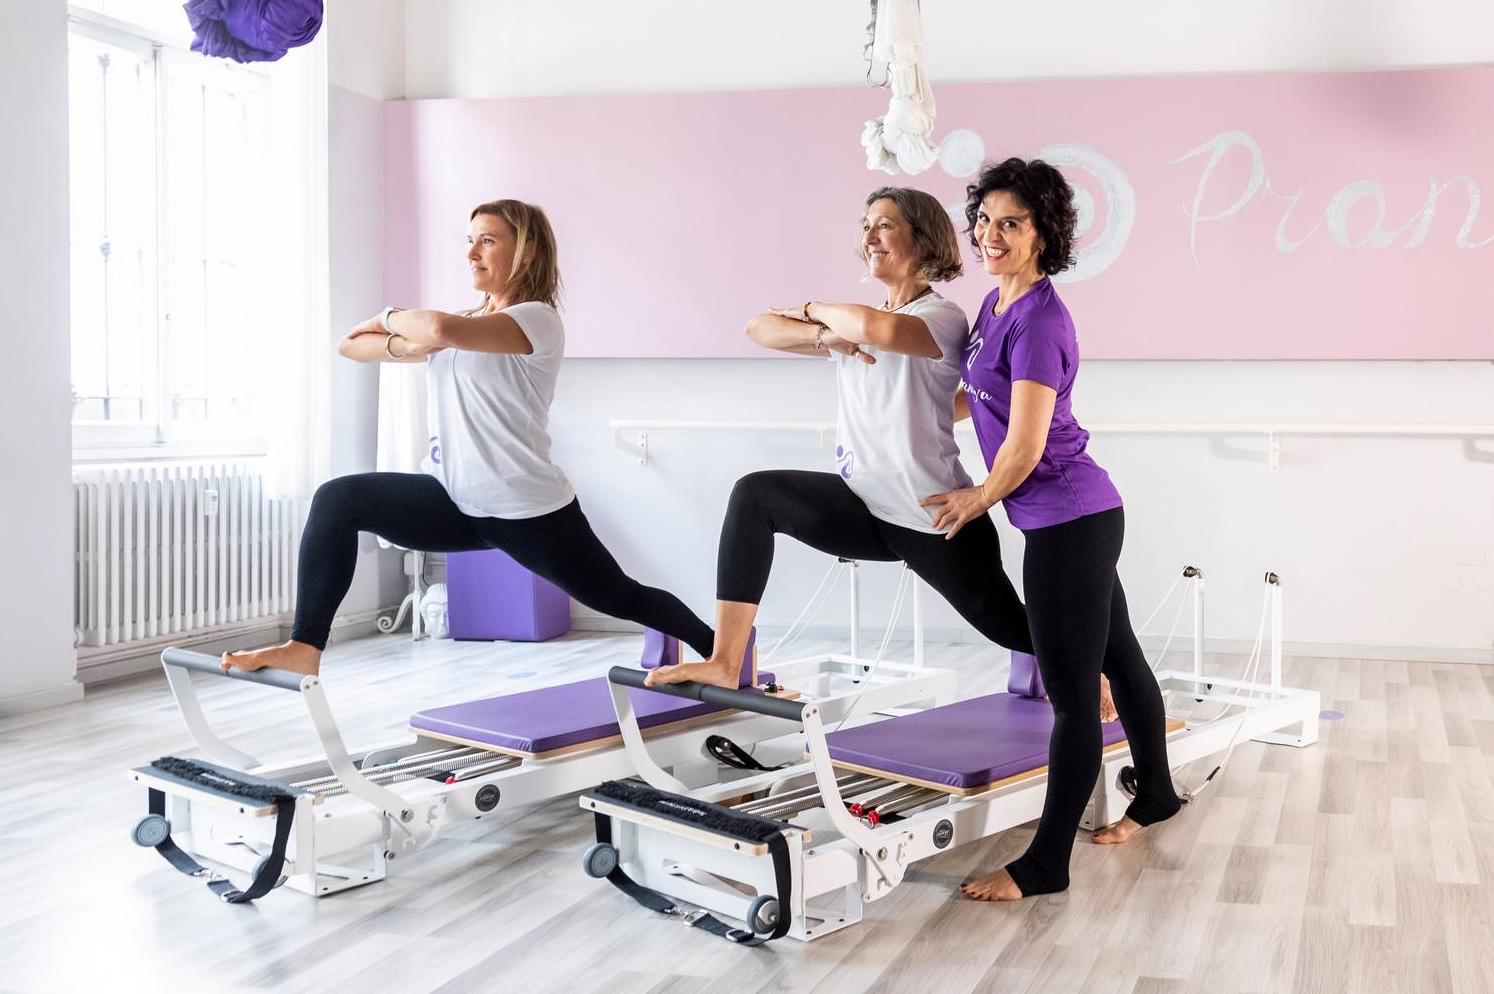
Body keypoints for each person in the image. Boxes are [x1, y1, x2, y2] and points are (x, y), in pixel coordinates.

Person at [222, 200, 714, 676]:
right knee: (338, 499)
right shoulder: (467, 325)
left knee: (619, 596)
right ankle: (304, 646)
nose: (472, 253)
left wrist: (392, 316)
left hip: (524, 509)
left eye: (487, 241)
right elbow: (351, 344)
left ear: (527, 251)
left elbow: (436, 327)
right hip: (452, 499)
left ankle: (721, 653)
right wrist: (404, 341)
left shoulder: (536, 319)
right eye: (470, 240)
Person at [646, 187, 1039, 691]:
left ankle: (1091, 668)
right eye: (866, 225)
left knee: (1010, 626)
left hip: (930, 514)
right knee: (755, 494)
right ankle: (725, 660)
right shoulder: (849, 327)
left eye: (885, 225)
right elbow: (758, 328)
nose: (869, 236)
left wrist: (814, 309)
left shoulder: (940, 319)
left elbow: (878, 329)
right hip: (863, 505)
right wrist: (823, 337)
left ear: (922, 240)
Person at [920, 159, 1182, 901]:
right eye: (985, 220)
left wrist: (976, 498)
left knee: (1072, 699)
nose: (990, 234)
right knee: (1121, 659)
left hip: (1069, 520)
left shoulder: (1039, 321)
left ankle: (1045, 865)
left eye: (1011, 222)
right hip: (1074, 517)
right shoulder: (996, 302)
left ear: (1044, 234)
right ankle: (1158, 795)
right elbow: (981, 396)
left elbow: (1026, 446)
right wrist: (905, 420)